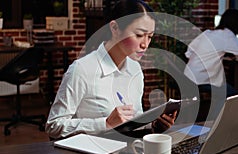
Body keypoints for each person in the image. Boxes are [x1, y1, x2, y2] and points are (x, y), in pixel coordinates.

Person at [45, 0, 177, 139]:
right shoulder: (82, 69)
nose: (145, 44)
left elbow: (133, 121)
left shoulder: (135, 69)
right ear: (114, 28)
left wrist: (154, 125)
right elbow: (54, 126)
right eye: (139, 35)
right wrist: (106, 124)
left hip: (124, 150)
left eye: (149, 36)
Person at [183, 8, 238, 97]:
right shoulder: (228, 35)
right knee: (233, 95)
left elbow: (189, 52)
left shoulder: (208, 33)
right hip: (200, 81)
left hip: (187, 76)